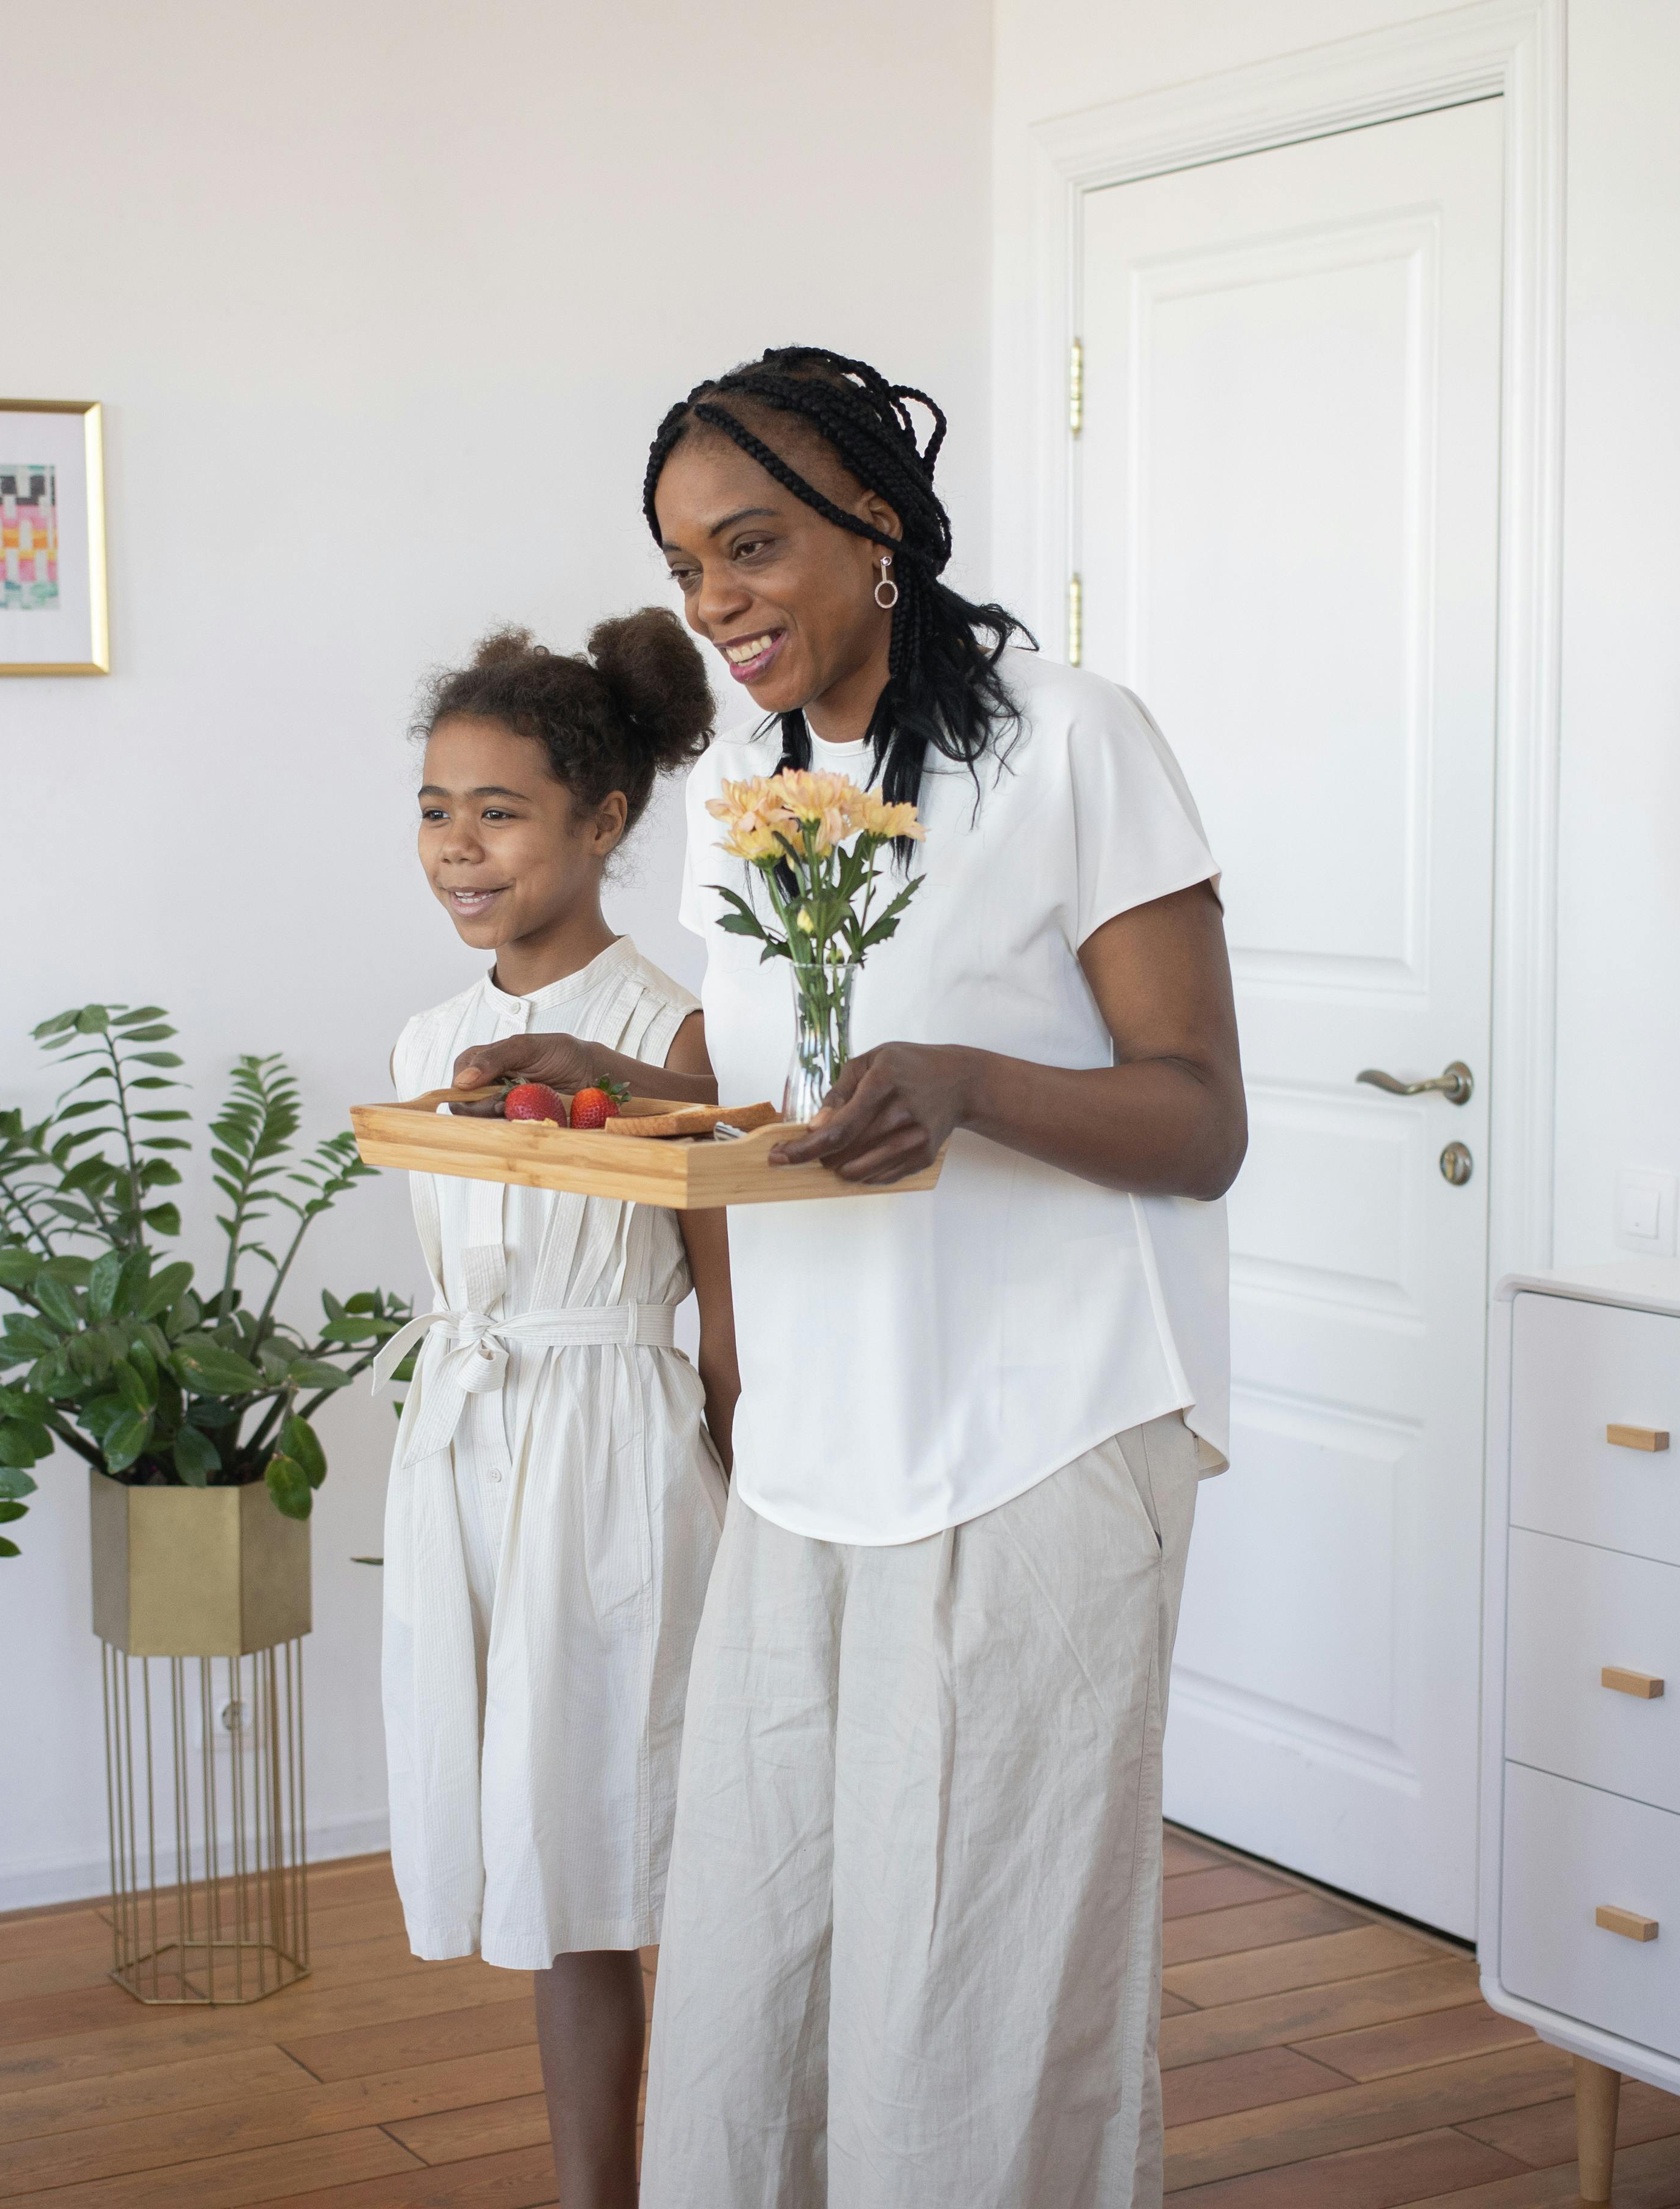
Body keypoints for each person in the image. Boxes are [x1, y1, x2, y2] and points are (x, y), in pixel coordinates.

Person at [456, 348, 1245, 2205]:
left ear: (878, 530)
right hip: (813, 1453)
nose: (716, 601)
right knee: (768, 1967)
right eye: (683, 567)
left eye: (752, 547)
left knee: (970, 1993)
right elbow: (774, 1100)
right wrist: (606, 1086)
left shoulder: (1074, 741)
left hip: (1038, 1442)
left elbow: (1198, 1123)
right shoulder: (752, 777)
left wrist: (971, 1091)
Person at [379, 615, 737, 2209]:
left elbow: (733, 1297)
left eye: (501, 809)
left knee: (627, 1839)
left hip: (614, 1466)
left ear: (602, 821)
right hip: (476, 1451)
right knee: (548, 1847)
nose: (460, 844)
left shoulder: (679, 1035)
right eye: (438, 806)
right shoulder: (424, 1041)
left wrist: (748, 1479)